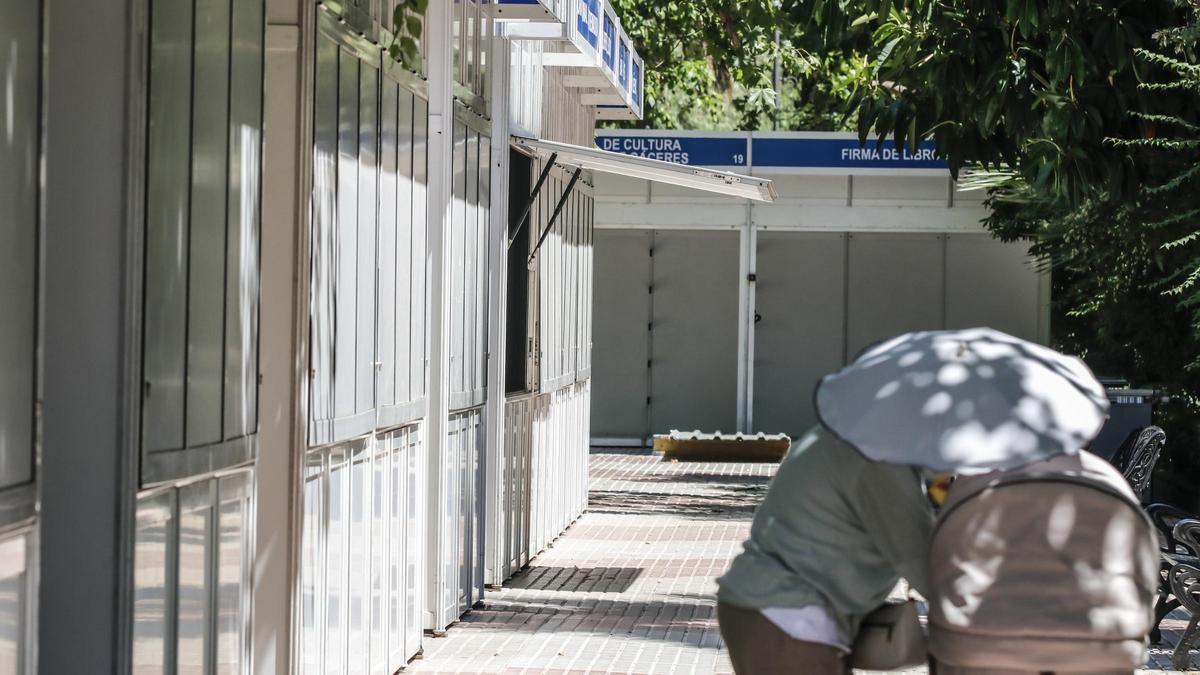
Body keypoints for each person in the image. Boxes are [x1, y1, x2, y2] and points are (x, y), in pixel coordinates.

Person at [716, 425, 935, 674]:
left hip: (761, 607)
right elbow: (927, 565)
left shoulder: (842, 432)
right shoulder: (878, 457)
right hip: (791, 621)